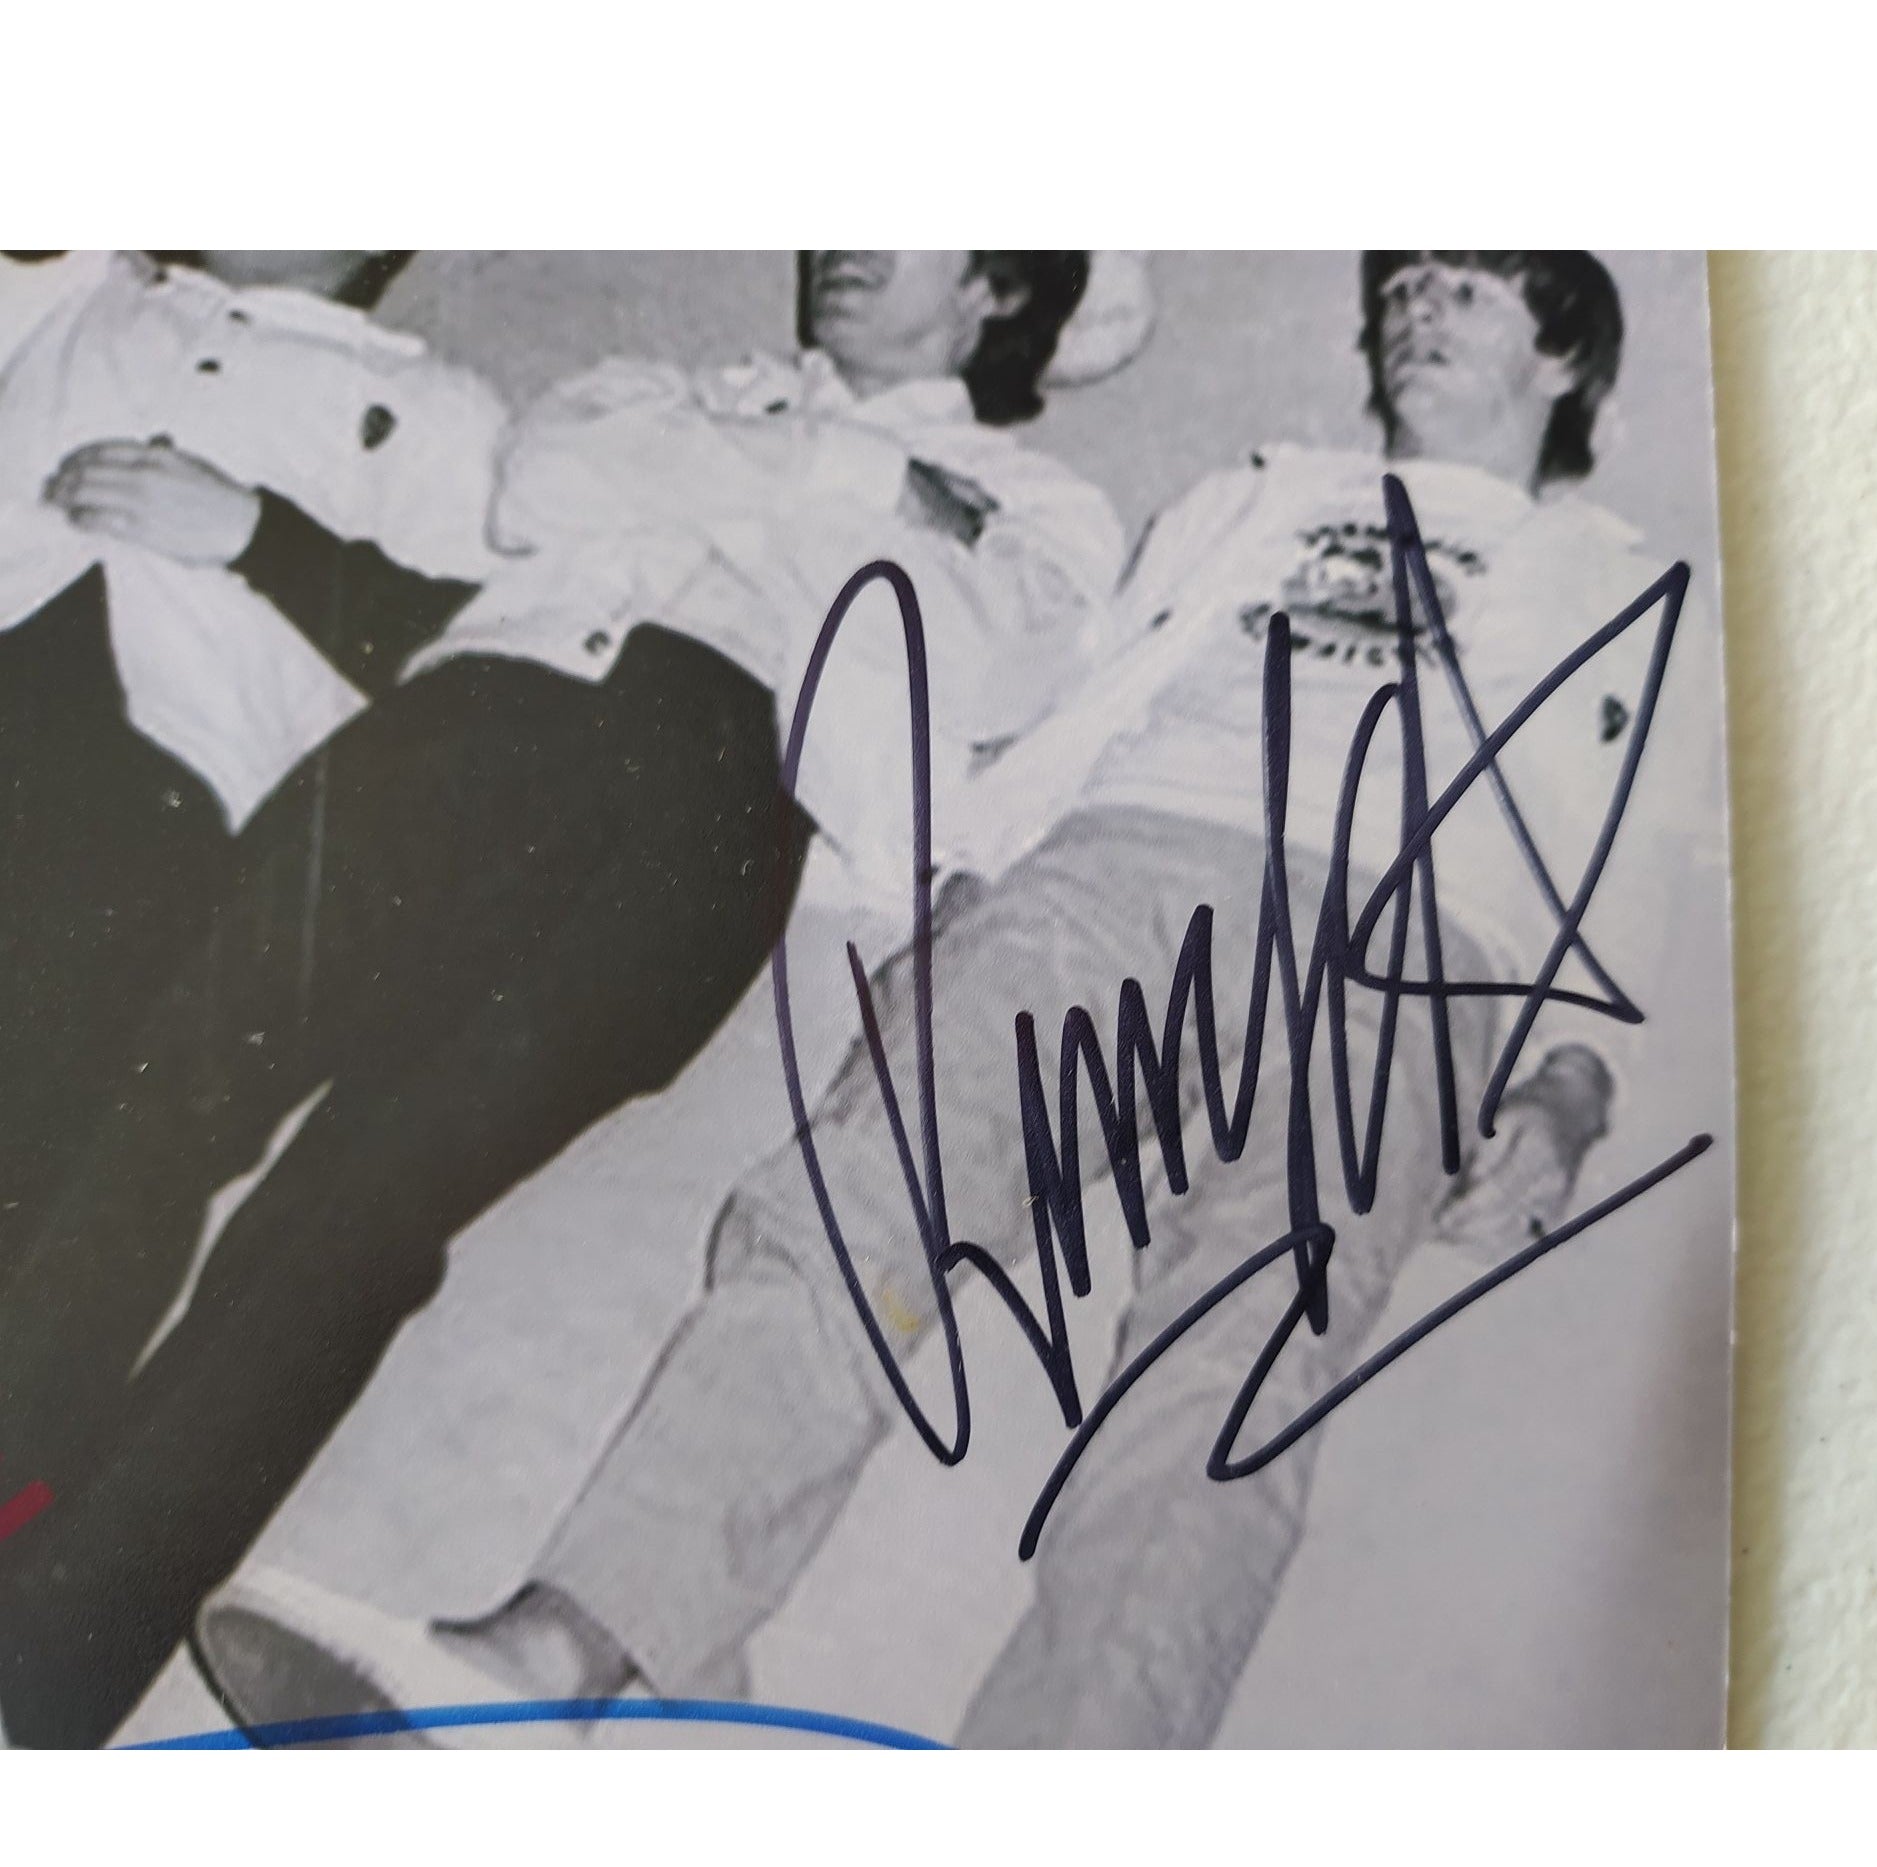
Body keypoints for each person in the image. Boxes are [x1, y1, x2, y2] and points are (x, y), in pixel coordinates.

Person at [194, 252, 1708, 1749]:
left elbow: (1624, 839)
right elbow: (1098, 694)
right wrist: (971, 880)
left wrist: (1573, 1077)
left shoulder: (1622, 584)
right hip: (1131, 854)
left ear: (1563, 357)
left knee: (1236, 1367)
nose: (1419, 308)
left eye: (1472, 288)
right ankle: (549, 1663)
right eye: (1405, 285)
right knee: (859, 1198)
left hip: (1412, 932)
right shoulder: (1253, 496)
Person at [0, 250, 1122, 1747]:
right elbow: (545, 486)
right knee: (168, 1089)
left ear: (1000, 286)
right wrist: (861, 492)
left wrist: (738, 473)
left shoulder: (1045, 508)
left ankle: (48, 1667)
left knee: (359, 1210)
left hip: (704, 810)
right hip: (462, 722)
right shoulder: (660, 386)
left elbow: (985, 664)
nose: (841, 238)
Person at [0, 249, 506, 1273]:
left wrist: (254, 534)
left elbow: (476, 669)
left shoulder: (438, 406)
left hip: (159, 783)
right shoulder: (82, 288)